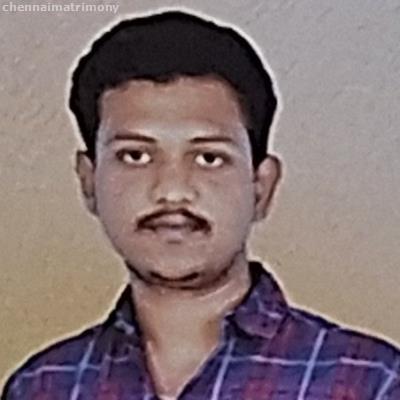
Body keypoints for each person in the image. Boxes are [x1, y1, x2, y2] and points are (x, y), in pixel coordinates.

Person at [2, 10, 399, 400]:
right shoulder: (43, 387)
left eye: (209, 157)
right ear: (89, 182)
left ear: (261, 186)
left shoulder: (368, 383)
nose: (172, 191)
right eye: (135, 155)